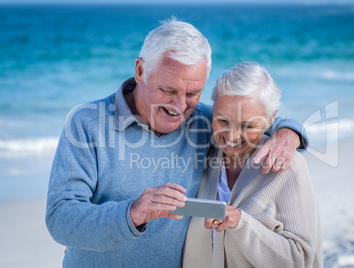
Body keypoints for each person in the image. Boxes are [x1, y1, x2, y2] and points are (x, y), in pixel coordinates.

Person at [45, 19, 309, 267]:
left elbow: (248, 119)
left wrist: (289, 132)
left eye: (193, 93)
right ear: (140, 71)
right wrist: (132, 213)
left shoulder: (203, 120)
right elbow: (60, 218)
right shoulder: (87, 122)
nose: (180, 106)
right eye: (168, 91)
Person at [183, 62, 322, 268]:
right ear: (213, 109)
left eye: (247, 125)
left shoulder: (289, 165)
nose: (231, 136)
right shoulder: (203, 150)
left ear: (271, 117)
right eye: (222, 121)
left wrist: (240, 223)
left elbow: (301, 260)